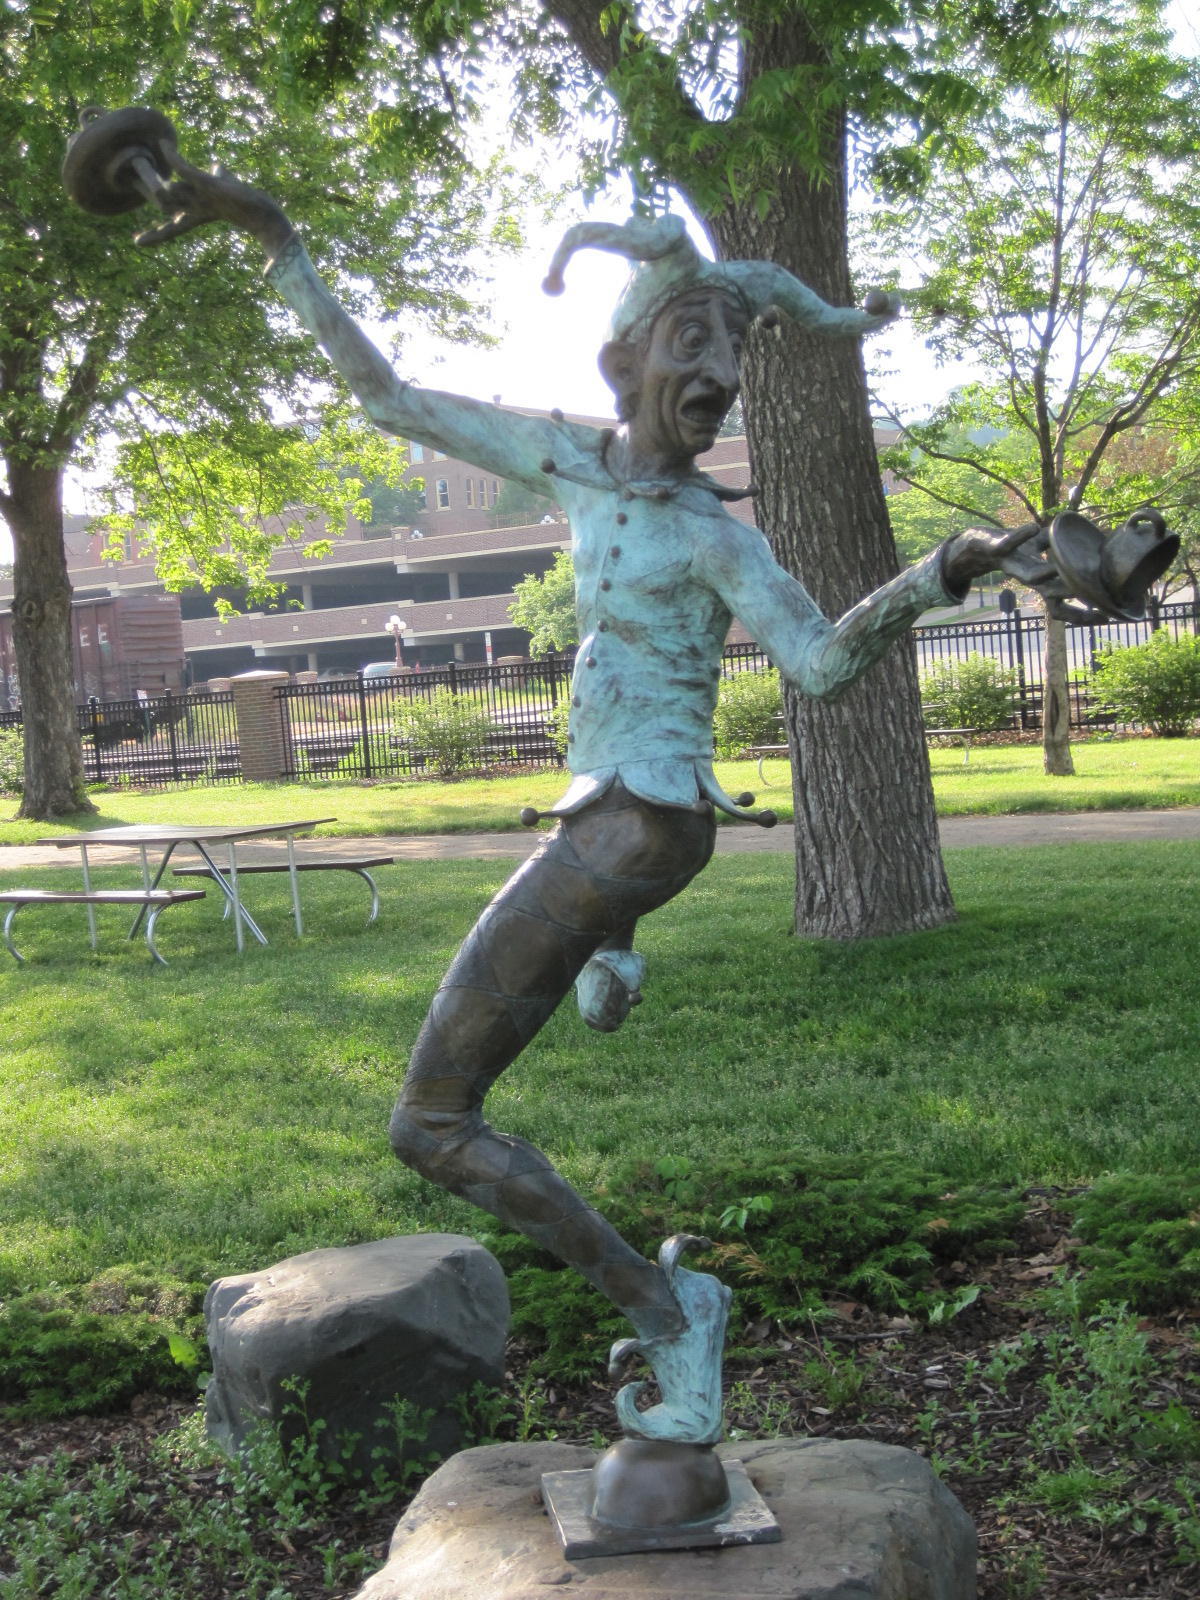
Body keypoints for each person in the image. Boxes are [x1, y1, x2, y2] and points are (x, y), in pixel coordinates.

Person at [137, 164, 1067, 1445]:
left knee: (431, 1122)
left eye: (735, 349)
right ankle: (610, 965)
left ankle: (670, 1308)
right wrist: (277, 234)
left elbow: (818, 664)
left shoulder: (716, 534)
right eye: (697, 340)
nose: (721, 371)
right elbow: (386, 396)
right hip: (620, 826)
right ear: (623, 360)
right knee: (490, 1057)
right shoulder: (567, 462)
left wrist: (942, 569)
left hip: (639, 825)